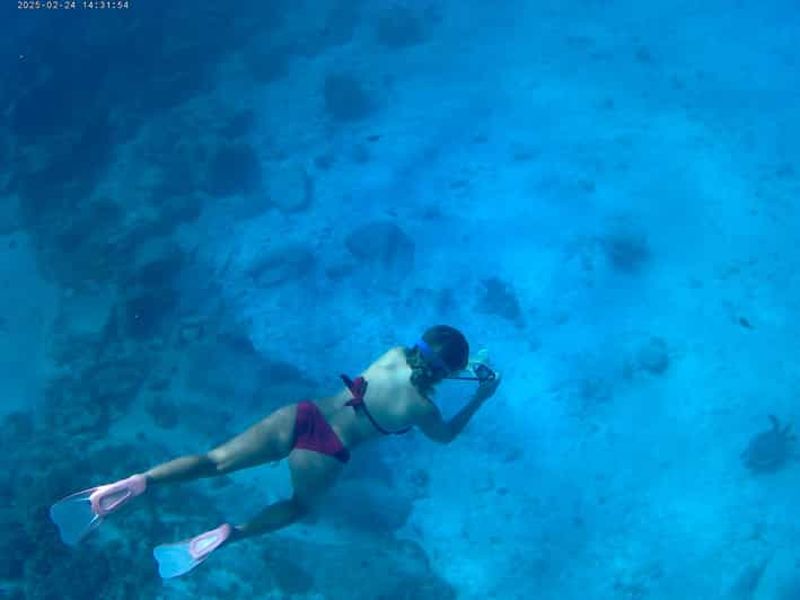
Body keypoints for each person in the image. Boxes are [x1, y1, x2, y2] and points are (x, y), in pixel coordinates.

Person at [50, 324, 501, 578]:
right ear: (449, 372)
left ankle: (133, 483)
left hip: (304, 415)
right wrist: (479, 395)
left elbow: (421, 360)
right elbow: (444, 436)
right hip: (329, 451)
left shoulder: (392, 355)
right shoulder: (421, 408)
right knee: (300, 507)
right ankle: (230, 533)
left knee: (213, 461)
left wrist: (457, 364)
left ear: (421, 345)